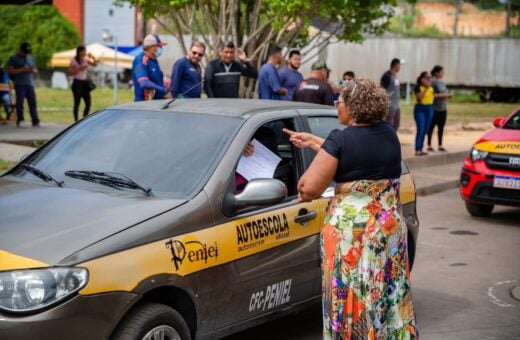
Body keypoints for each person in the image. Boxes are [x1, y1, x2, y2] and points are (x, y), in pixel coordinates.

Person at [283, 78, 418, 339]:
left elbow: (308, 188)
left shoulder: (340, 140)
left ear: (354, 107)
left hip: (354, 241)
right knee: (386, 295)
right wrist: (316, 142)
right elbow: (358, 150)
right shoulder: (389, 133)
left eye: (339, 102)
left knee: (353, 298)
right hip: (388, 235)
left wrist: (319, 156)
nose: (336, 108)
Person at [6, 42, 40, 127]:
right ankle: (20, 119)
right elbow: (10, 71)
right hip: (19, 83)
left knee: (32, 102)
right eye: (24, 52)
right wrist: (22, 69)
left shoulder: (30, 58)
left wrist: (32, 71)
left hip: (30, 83)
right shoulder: (13, 58)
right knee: (20, 102)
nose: (25, 54)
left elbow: (35, 70)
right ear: (20, 50)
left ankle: (35, 121)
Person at [131, 34, 172, 101]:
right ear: (151, 47)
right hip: (144, 105)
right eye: (159, 46)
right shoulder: (140, 60)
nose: (161, 48)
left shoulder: (154, 61)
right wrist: (164, 90)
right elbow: (144, 83)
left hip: (156, 104)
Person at [67, 45, 97, 122]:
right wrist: (79, 68)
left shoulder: (85, 60)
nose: (85, 53)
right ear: (79, 52)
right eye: (84, 51)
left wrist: (92, 57)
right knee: (77, 102)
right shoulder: (74, 60)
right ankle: (76, 120)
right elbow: (69, 73)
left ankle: (84, 118)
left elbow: (94, 64)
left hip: (84, 83)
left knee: (88, 102)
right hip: (77, 82)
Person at [427, 65, 451, 152]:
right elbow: (431, 95)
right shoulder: (433, 82)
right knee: (431, 127)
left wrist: (448, 95)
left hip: (443, 108)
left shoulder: (442, 83)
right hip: (434, 108)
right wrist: (444, 95)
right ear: (436, 73)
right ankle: (429, 145)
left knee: (441, 127)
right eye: (441, 72)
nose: (443, 73)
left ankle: (440, 145)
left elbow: (445, 93)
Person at [413, 71, 434, 156]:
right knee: (420, 129)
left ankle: (421, 149)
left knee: (425, 130)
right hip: (420, 108)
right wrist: (426, 88)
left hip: (429, 108)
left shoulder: (431, 87)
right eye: (427, 78)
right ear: (422, 79)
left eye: (430, 78)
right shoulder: (418, 87)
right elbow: (419, 97)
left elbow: (433, 96)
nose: (429, 79)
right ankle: (417, 149)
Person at [380, 58, 401, 130]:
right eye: (399, 65)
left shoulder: (396, 76)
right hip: (390, 105)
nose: (399, 67)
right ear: (396, 65)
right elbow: (382, 90)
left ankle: (393, 139)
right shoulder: (386, 75)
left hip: (397, 105)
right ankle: (387, 139)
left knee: (396, 124)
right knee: (389, 124)